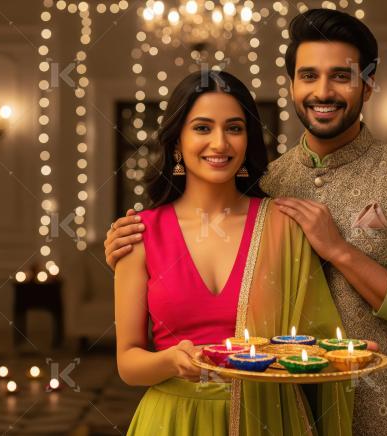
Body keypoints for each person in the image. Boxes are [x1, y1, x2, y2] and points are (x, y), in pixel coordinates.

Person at [107, 9, 387, 435]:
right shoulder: (268, 183)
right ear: (292, 85)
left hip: (380, 408)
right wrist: (133, 255)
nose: (323, 91)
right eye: (309, 75)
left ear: (369, 85)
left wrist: (340, 251)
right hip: (277, 412)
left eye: (341, 76)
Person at [115, 69, 352, 435]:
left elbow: (309, 341)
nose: (220, 143)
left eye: (234, 128)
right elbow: (128, 363)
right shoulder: (138, 234)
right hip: (173, 421)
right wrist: (173, 361)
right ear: (177, 141)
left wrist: (343, 353)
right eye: (202, 128)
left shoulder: (283, 224)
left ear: (248, 139)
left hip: (269, 418)